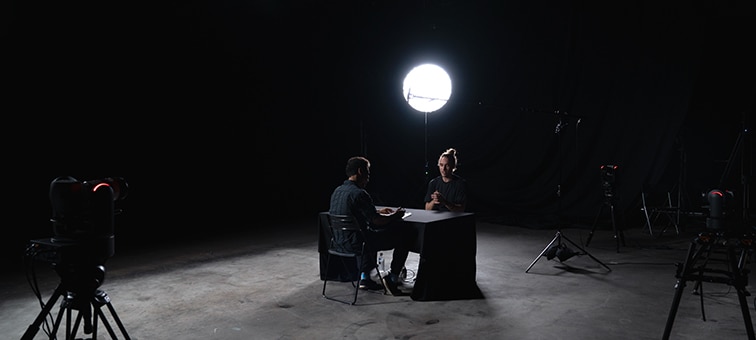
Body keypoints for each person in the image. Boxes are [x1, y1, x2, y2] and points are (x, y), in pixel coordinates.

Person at [329, 156, 415, 295]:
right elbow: (377, 221)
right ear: (360, 171)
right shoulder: (359, 193)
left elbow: (354, 213)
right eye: (367, 172)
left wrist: (377, 211)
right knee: (404, 235)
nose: (369, 177)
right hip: (358, 244)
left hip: (338, 244)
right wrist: (395, 215)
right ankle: (392, 278)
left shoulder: (337, 191)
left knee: (362, 233)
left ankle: (365, 278)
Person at [425, 148, 467, 212]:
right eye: (441, 165)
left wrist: (444, 202)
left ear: (453, 166)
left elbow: (461, 209)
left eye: (447, 165)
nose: (443, 169)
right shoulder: (433, 183)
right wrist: (434, 200)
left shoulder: (460, 184)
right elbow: (427, 209)